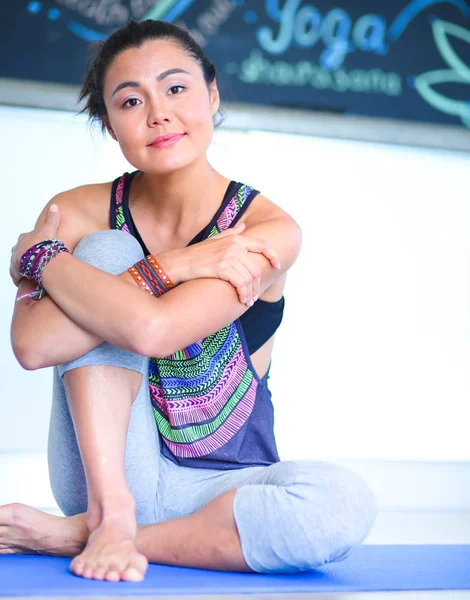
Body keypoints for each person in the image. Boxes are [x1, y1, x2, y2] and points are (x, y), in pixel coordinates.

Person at [3, 19, 377, 583]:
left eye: (176, 88)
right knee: (107, 250)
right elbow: (33, 346)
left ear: (213, 95)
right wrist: (175, 263)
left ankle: (71, 534)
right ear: (109, 124)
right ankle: (110, 515)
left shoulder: (264, 229)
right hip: (103, 474)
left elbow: (155, 332)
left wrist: (40, 258)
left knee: (342, 502)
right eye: (131, 101)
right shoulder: (77, 212)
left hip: (215, 487)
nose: (158, 113)